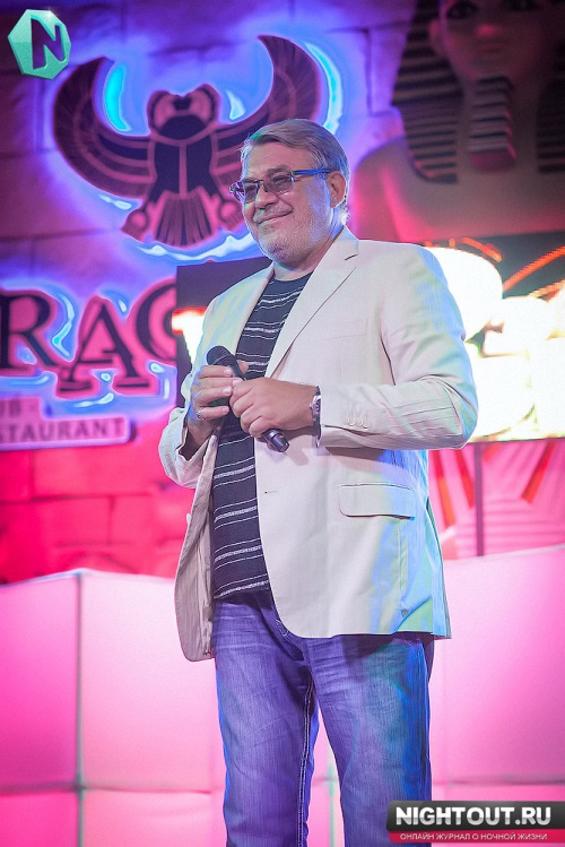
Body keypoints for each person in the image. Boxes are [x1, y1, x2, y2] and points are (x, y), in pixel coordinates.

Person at [159, 118, 478, 847]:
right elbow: (180, 456)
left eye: (280, 179)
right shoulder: (227, 305)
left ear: (334, 186)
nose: (260, 198)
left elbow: (451, 406)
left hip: (356, 580)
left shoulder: (397, 270)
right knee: (254, 822)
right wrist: (196, 421)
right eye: (247, 187)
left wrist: (313, 404)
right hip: (240, 594)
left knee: (383, 813)